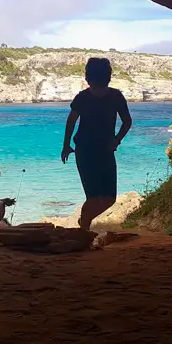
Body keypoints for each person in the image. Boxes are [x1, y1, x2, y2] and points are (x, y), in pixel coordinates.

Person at [61, 57, 133, 230]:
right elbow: (71, 121)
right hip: (85, 151)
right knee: (93, 197)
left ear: (88, 76)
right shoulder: (82, 98)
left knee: (109, 198)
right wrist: (66, 145)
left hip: (105, 151)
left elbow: (127, 121)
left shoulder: (115, 96)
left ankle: (83, 221)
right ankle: (84, 229)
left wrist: (117, 140)